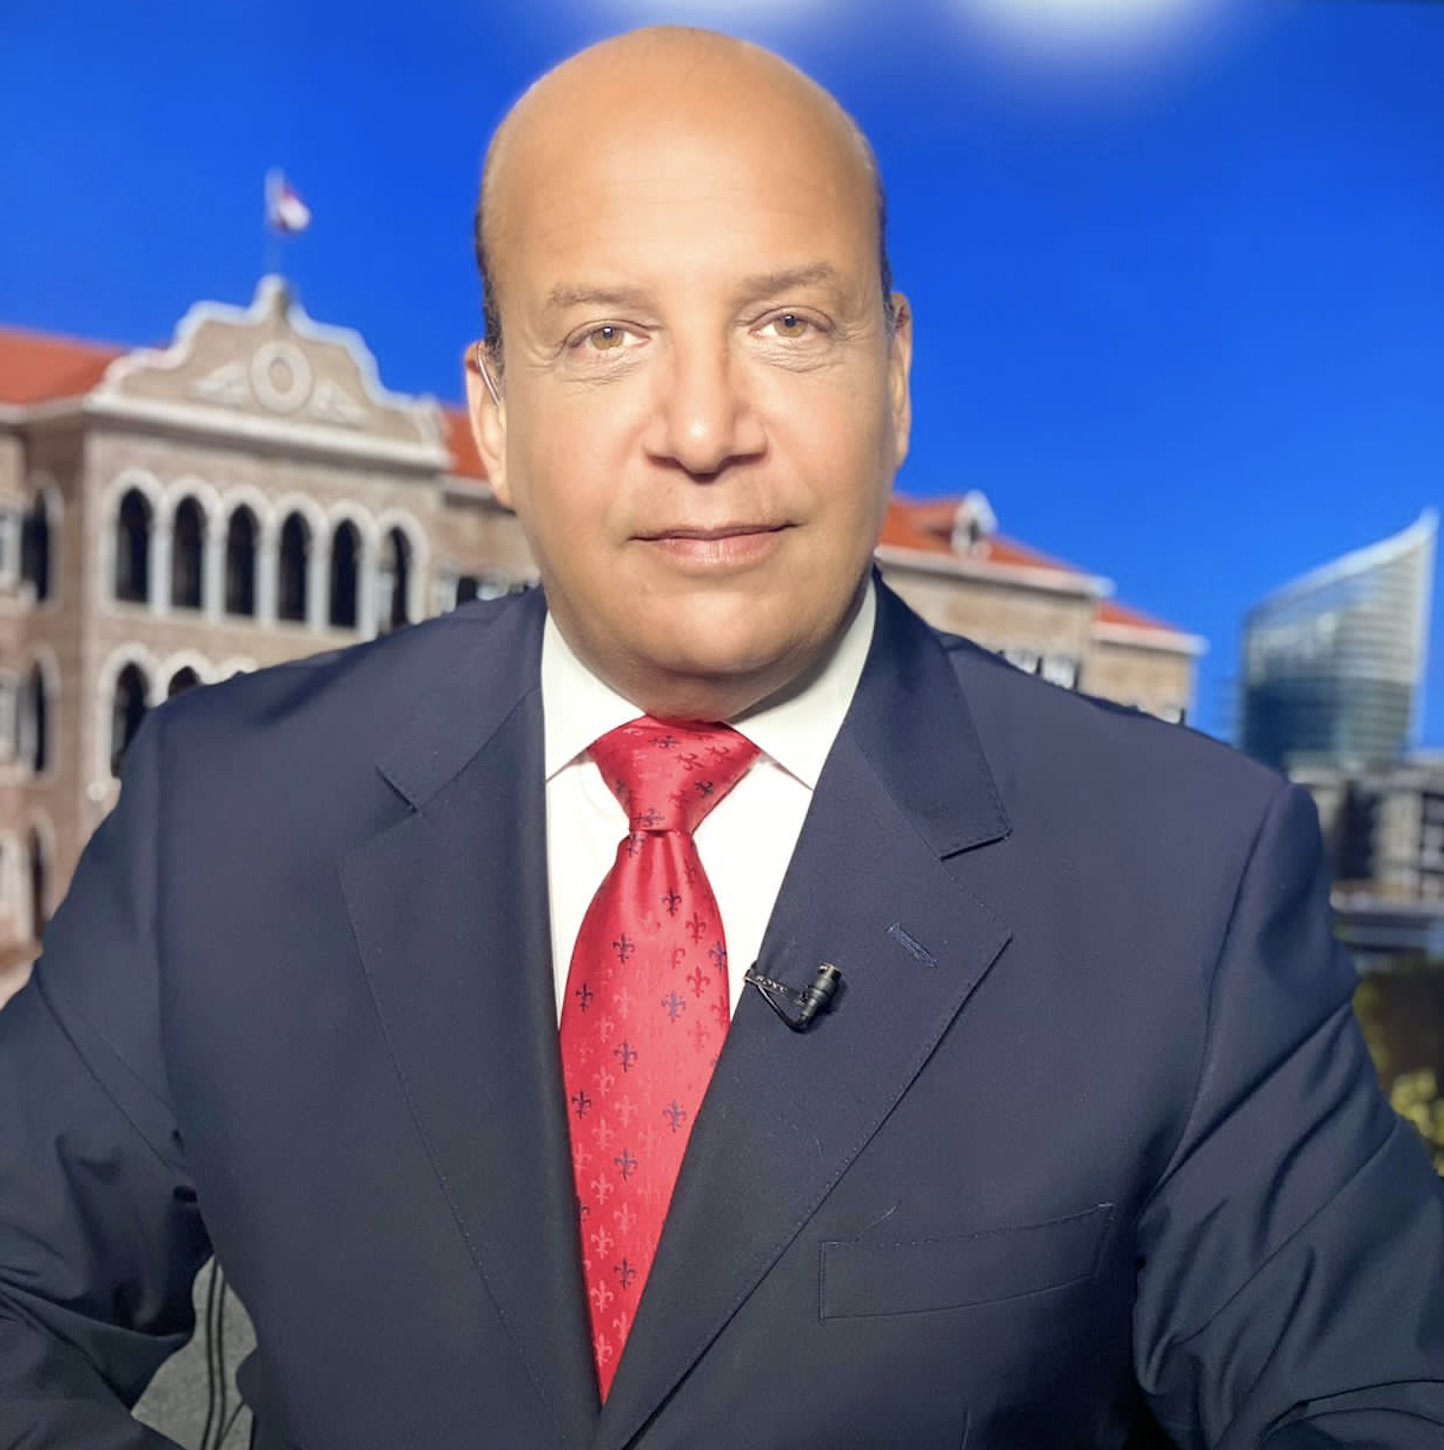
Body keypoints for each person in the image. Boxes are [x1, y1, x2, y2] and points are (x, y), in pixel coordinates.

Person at [2, 25, 1442, 1450]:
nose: (702, 430)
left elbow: (1378, 1397)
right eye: (606, 335)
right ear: (492, 419)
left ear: (894, 376)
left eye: (787, 325)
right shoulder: (230, 809)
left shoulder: (1186, 874)